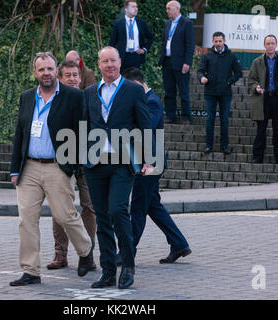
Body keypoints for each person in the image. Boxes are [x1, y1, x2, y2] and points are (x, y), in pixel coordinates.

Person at [9, 52, 94, 286]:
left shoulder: (73, 96)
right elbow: (20, 134)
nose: (46, 73)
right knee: (26, 219)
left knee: (64, 216)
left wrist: (73, 165)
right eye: (41, 69)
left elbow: (83, 132)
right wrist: (14, 170)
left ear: (56, 70)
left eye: (49, 68)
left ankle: (86, 252)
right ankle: (31, 270)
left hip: (58, 167)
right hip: (29, 168)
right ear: (35, 72)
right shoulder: (27, 97)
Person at [82, 46, 152, 289]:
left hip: (122, 163)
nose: (109, 65)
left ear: (120, 63)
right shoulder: (89, 92)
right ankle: (108, 271)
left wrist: (148, 158)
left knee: (118, 212)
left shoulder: (133, 90)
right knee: (102, 217)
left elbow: (146, 125)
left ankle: (128, 266)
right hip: (95, 163)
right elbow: (84, 125)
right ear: (98, 64)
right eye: (104, 61)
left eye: (113, 60)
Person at [120, 67, 192, 264]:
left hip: (150, 162)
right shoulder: (144, 100)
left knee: (137, 206)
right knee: (152, 205)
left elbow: (145, 128)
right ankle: (179, 243)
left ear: (136, 85)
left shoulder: (151, 101)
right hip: (145, 160)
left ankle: (128, 251)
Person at [46, 60, 97, 271]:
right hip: (63, 161)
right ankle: (60, 254)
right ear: (60, 78)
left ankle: (88, 254)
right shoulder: (55, 100)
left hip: (87, 162)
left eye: (75, 75)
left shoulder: (91, 97)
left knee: (90, 207)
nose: (72, 79)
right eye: (68, 75)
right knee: (60, 209)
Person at [248, 35, 278, 165]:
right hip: (263, 99)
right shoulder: (257, 62)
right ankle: (257, 157)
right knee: (261, 130)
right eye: (268, 43)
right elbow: (251, 80)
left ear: (276, 45)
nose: (270, 46)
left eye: (273, 43)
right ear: (264, 45)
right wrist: (255, 87)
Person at [196, 31, 242, 155]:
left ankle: (224, 146)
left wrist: (229, 81)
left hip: (225, 93)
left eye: (220, 41)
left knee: (224, 120)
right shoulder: (207, 56)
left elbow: (239, 72)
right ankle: (209, 145)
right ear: (212, 42)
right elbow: (199, 71)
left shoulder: (231, 56)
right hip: (210, 93)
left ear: (224, 41)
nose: (218, 43)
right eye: (216, 41)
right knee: (210, 119)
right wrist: (202, 78)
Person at [158, 0, 195, 124]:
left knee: (183, 91)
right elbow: (164, 41)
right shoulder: (167, 23)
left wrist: (187, 62)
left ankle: (186, 117)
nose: (167, 11)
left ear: (176, 9)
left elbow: (190, 45)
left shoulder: (187, 23)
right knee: (169, 91)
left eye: (169, 8)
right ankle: (170, 116)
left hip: (180, 63)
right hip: (167, 61)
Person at [109, 0, 154, 72]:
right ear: (126, 9)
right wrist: (113, 57)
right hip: (122, 57)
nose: (136, 9)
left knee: (134, 81)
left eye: (136, 7)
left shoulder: (141, 23)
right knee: (122, 81)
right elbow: (112, 42)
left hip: (136, 56)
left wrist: (144, 49)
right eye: (133, 7)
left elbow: (151, 37)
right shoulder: (118, 23)